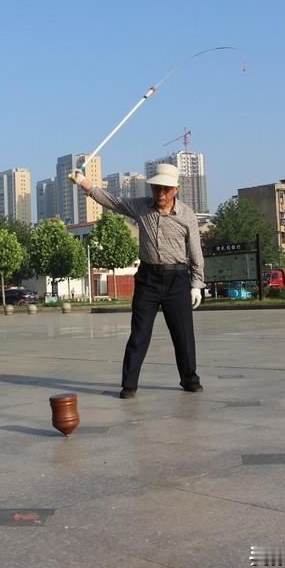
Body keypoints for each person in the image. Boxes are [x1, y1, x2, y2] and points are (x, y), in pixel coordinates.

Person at [70, 163, 205, 398]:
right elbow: (112, 201)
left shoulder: (187, 216)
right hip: (148, 280)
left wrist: (196, 284)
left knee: (183, 334)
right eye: (156, 189)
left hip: (177, 279)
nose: (159, 194)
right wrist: (84, 183)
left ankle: (189, 378)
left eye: (165, 189)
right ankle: (129, 384)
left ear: (176, 190)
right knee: (139, 333)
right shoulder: (141, 207)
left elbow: (196, 253)